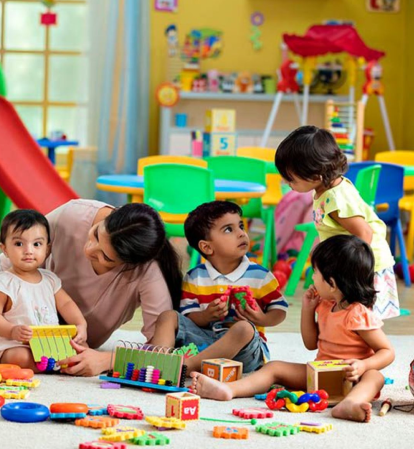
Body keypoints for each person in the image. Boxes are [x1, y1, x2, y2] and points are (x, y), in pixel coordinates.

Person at [0, 200, 182, 376]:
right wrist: (6, 288)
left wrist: (106, 360)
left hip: (48, 335)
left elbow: (161, 354)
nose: (89, 250)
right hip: (14, 277)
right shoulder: (74, 215)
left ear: (130, 264)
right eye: (95, 234)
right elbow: (25, 244)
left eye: (106, 258)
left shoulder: (149, 274)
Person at [190, 235, 395, 423]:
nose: (312, 278)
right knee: (274, 368)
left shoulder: (358, 314)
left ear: (332, 284)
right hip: (318, 376)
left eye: (315, 273)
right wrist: (308, 310)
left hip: (353, 380)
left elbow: (387, 352)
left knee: (374, 376)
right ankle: (229, 389)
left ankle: (351, 403)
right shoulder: (325, 305)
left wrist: (363, 365)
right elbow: (310, 343)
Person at [275, 125, 399, 320]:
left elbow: (364, 233)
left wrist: (350, 274)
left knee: (359, 321)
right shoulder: (325, 189)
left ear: (315, 174)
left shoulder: (335, 199)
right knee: (343, 320)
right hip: (352, 265)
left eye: (290, 179)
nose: (286, 183)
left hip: (365, 268)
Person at [150, 201, 288, 374]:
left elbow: (279, 310)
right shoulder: (195, 277)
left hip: (244, 351)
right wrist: (206, 316)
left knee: (244, 328)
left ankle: (187, 366)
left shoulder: (260, 275)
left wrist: (262, 319)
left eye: (241, 226)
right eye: (229, 229)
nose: (241, 233)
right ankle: (158, 364)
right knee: (168, 316)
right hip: (204, 344)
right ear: (207, 247)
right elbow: (188, 316)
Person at [0, 210, 88, 370]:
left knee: (82, 346)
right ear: (5, 249)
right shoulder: (3, 283)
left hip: (45, 341)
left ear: (47, 249)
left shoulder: (50, 280)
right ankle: (52, 365)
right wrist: (12, 331)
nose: (28, 251)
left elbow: (66, 304)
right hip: (13, 343)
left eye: (36, 244)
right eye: (19, 244)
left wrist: (80, 324)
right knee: (19, 357)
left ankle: (53, 362)